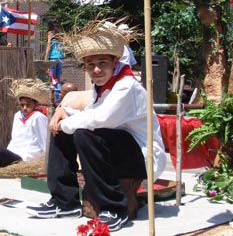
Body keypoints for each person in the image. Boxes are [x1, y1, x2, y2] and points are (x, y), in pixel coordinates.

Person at [26, 20, 166, 232]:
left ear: (115, 61)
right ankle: (65, 200)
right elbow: (92, 111)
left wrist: (66, 121)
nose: (97, 70)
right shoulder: (102, 88)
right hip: (120, 150)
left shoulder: (126, 86)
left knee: (82, 134)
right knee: (64, 130)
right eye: (91, 65)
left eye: (102, 63)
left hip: (144, 157)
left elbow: (102, 118)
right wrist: (65, 112)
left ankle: (114, 207)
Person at [45, 19, 64, 103]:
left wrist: (45, 58)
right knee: (57, 79)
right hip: (60, 58)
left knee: (53, 78)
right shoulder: (60, 34)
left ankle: (56, 99)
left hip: (52, 57)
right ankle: (58, 98)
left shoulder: (50, 33)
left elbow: (49, 47)